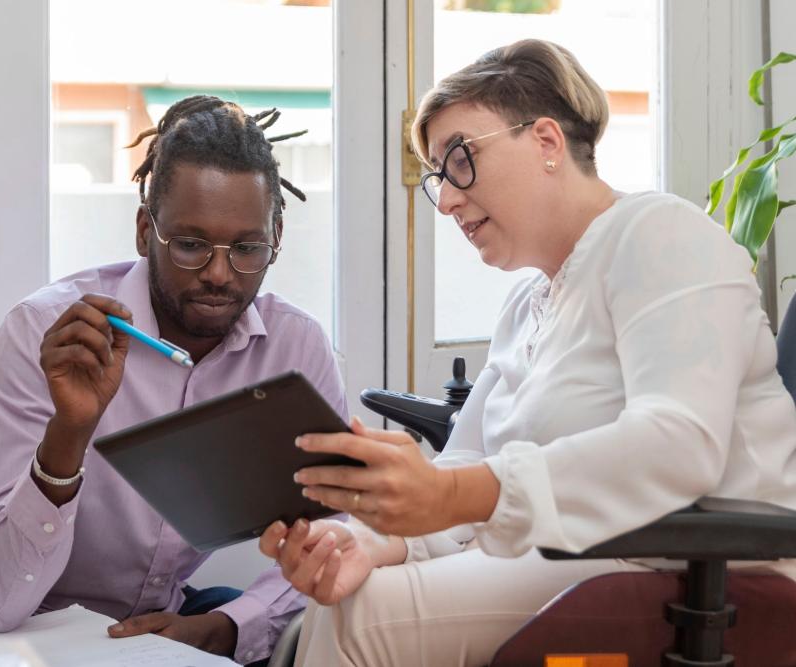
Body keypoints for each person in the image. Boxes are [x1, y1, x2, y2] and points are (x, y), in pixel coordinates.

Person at [259, 39, 796, 666]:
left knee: (361, 619)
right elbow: (465, 464)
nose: (449, 198)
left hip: (688, 566)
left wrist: (456, 495)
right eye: (438, 178)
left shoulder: (662, 235)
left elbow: (679, 444)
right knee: (348, 594)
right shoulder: (525, 308)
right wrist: (371, 541)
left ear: (546, 141)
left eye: (459, 160)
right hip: (574, 557)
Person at [0, 95, 348, 666]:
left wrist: (224, 626)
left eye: (246, 248)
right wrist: (70, 431)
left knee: (304, 630)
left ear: (275, 238)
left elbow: (338, 531)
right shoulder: (48, 333)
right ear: (145, 231)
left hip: (151, 619)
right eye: (190, 244)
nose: (218, 273)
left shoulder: (295, 347)